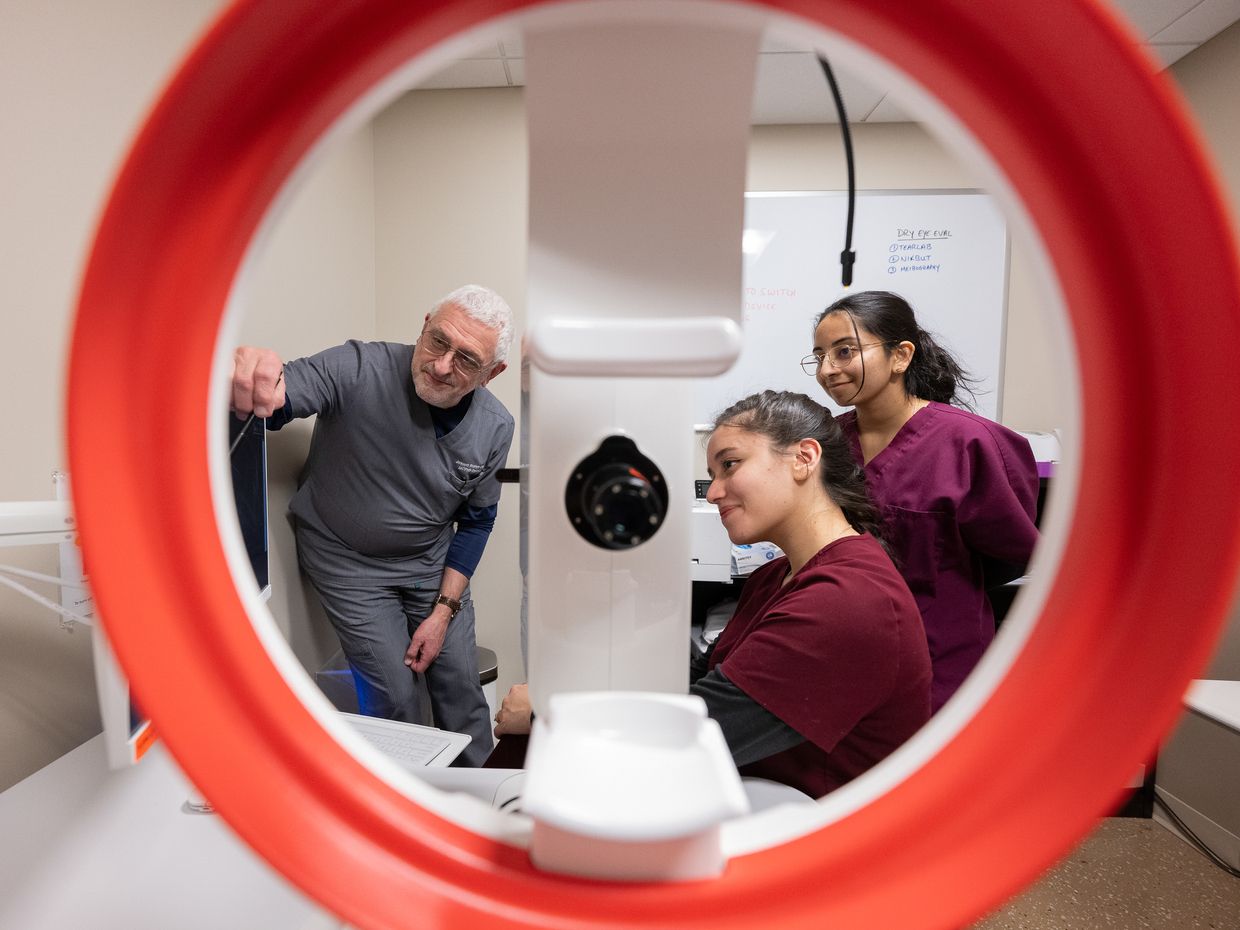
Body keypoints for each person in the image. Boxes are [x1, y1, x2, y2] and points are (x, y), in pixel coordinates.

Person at [493, 391, 932, 799]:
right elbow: (696, 685)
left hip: (808, 827)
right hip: (754, 789)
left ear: (803, 457)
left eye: (730, 465)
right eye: (712, 474)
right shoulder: (774, 577)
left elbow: (694, 735)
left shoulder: (848, 599)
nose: (715, 491)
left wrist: (548, 712)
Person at [231, 284, 515, 766]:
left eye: (467, 360)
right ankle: (404, 812)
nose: (442, 366)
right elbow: (278, 399)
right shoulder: (359, 367)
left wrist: (443, 612)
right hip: (348, 562)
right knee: (395, 699)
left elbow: (476, 522)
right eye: (439, 341)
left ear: (492, 374)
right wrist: (249, 378)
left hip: (430, 565)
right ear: (424, 325)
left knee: (462, 693)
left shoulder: (495, 426)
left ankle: (479, 810)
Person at [809, 290, 1039, 712]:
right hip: (845, 650)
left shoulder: (971, 443)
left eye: (845, 352)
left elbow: (1014, 553)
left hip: (939, 657)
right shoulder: (828, 443)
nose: (828, 369)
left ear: (901, 356)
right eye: (819, 356)